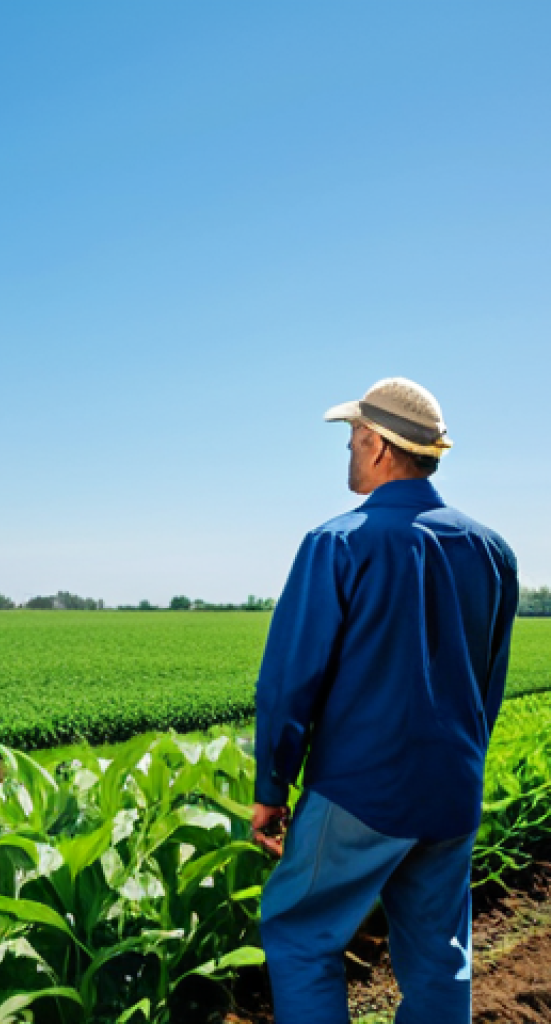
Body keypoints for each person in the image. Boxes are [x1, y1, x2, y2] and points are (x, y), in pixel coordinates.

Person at [250, 377, 518, 1024]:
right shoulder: (493, 552)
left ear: (376, 445)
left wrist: (271, 789)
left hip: (362, 791)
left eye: (351, 439)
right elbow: (489, 684)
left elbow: (289, 681)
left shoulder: (338, 543)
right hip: (452, 790)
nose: (348, 451)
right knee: (438, 958)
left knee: (300, 935)